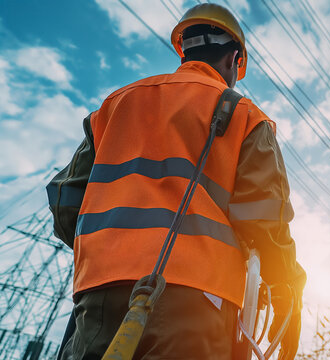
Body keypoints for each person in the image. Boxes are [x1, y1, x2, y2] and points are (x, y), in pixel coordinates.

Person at [47, 3, 305, 359]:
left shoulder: (116, 105)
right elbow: (265, 219)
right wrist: (288, 288)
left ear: (184, 50)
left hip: (99, 296)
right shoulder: (246, 117)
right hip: (199, 302)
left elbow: (65, 200)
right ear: (234, 59)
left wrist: (106, 253)